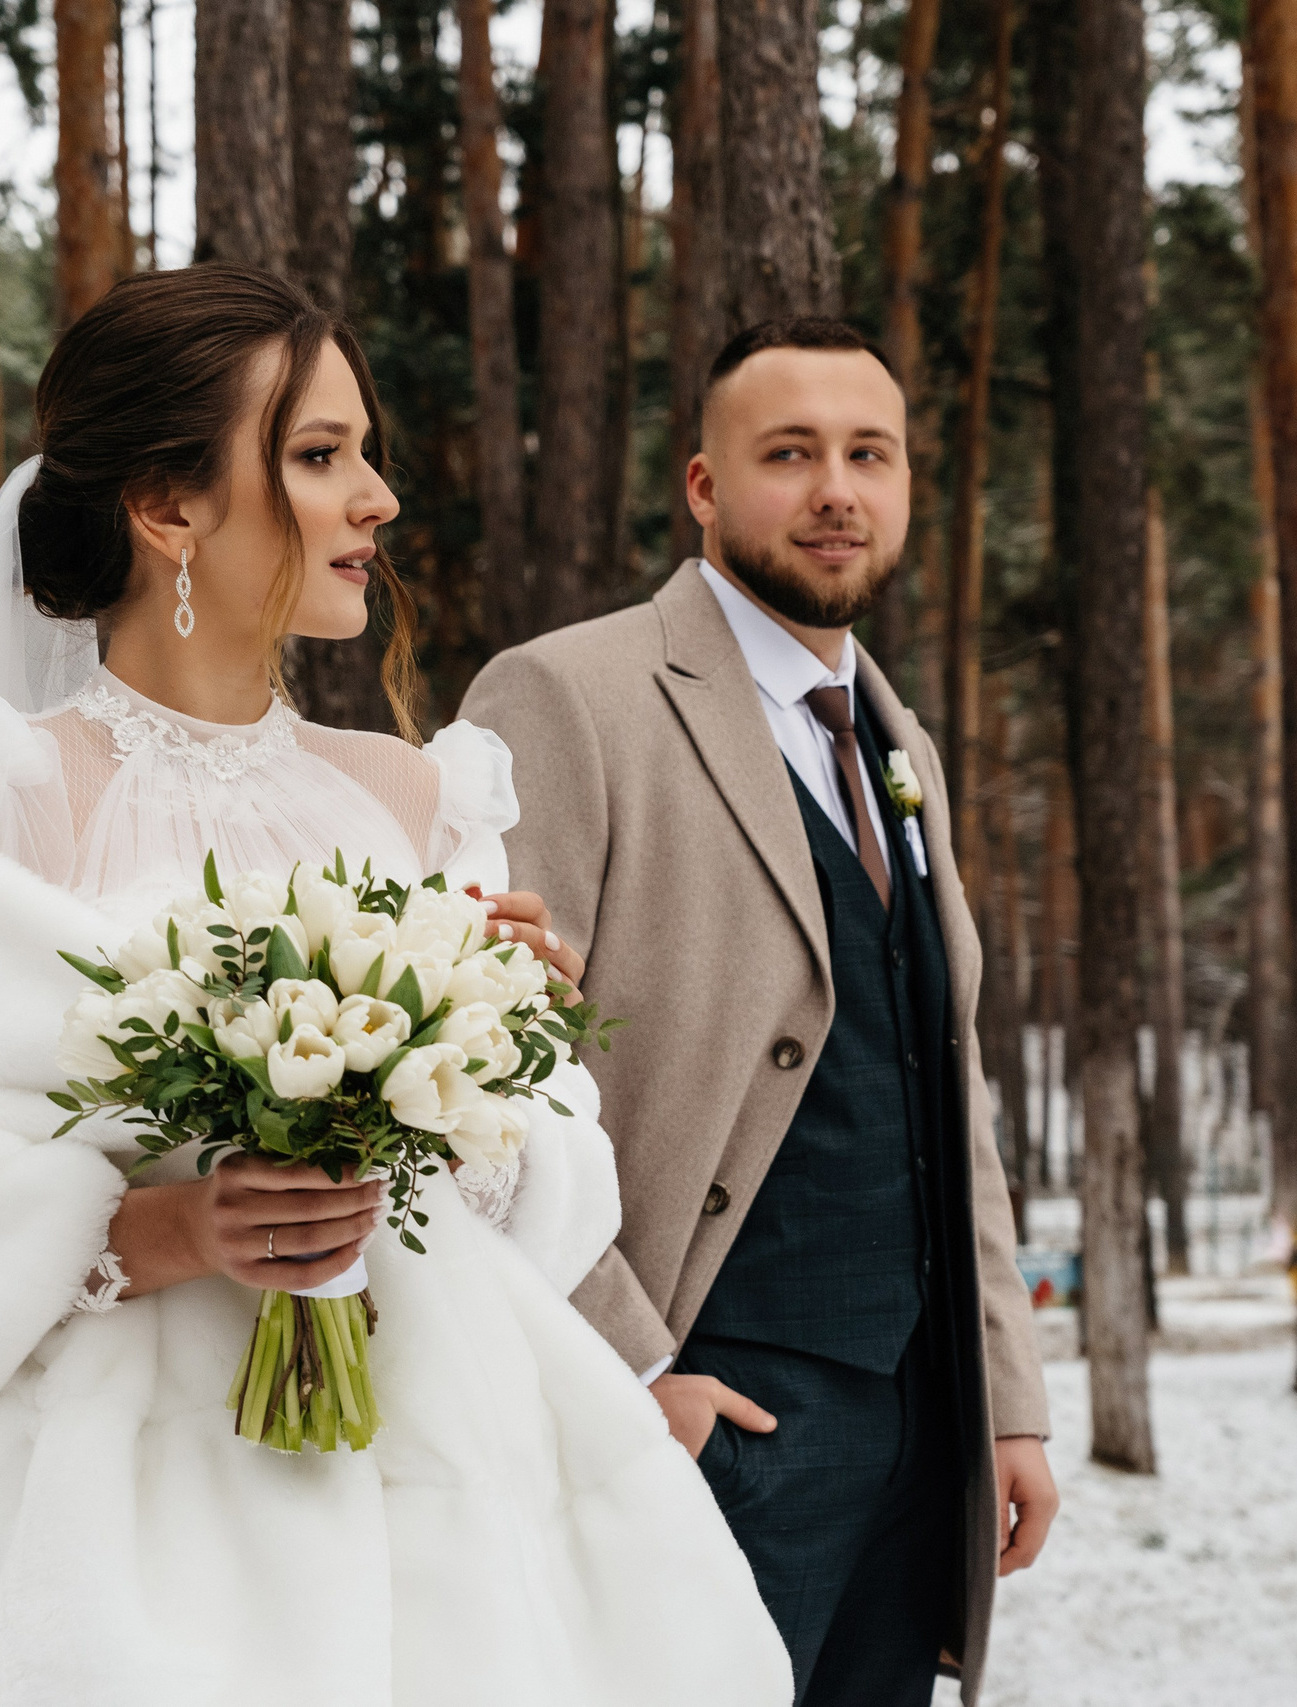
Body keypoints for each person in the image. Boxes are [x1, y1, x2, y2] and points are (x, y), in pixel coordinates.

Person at [0, 266, 788, 1707]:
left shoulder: (418, 801)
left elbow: (533, 1212)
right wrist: (158, 1230)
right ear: (168, 509)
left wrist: (492, 1050)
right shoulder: (3, 787)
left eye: (365, 454)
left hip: (442, 1511)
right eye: (317, 455)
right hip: (111, 1523)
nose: (377, 500)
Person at [460, 318, 1060, 1707]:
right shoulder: (568, 694)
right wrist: (638, 1377)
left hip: (922, 1437)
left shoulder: (898, 741)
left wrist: (1004, 1400)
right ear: (705, 487)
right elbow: (474, 1081)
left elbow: (942, 1085)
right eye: (789, 455)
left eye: (870, 454)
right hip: (707, 1420)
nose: (836, 489)